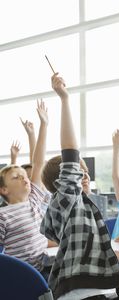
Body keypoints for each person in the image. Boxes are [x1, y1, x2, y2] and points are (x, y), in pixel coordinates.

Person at [40, 73, 119, 300]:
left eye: (86, 171)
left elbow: (88, 245)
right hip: (80, 293)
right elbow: (70, 149)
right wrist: (65, 99)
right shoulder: (66, 200)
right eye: (79, 172)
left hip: (100, 290)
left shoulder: (84, 206)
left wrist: (116, 254)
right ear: (65, 180)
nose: (85, 176)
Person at [0, 100, 49, 272]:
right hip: (23, 275)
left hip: (46, 266)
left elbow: (38, 163)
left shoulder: (33, 200)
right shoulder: (2, 215)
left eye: (24, 176)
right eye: (16, 177)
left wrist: (44, 124)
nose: (24, 179)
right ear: (4, 190)